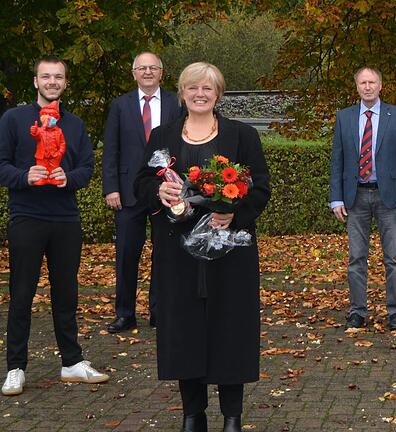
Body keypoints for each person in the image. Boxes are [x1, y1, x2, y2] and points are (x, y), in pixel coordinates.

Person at [134, 62, 270, 432]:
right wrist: (158, 191)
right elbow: (142, 183)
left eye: (207, 89)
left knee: (231, 330)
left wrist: (235, 214)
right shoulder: (162, 135)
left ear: (218, 94)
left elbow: (260, 188)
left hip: (230, 252)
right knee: (184, 332)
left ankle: (232, 417)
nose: (200, 94)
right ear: (182, 92)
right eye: (193, 88)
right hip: (177, 252)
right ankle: (193, 414)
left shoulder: (242, 135)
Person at [0, 55, 109, 396]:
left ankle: (71, 363)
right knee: (21, 295)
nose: (52, 82)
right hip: (26, 217)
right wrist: (22, 176)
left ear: (64, 82)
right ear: (35, 81)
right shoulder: (13, 119)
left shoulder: (74, 124)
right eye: (45, 76)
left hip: (65, 218)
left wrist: (69, 178)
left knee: (66, 294)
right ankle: (15, 368)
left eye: (58, 77)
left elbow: (88, 168)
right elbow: (1, 165)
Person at [329, 66, 396, 331]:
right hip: (355, 197)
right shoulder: (344, 117)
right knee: (356, 258)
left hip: (388, 197)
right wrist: (336, 198)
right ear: (357, 87)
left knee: (394, 258)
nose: (367, 87)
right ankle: (357, 312)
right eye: (363, 83)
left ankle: (395, 313)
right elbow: (337, 160)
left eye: (372, 82)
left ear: (380, 85)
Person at [103, 51, 183, 333]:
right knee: (126, 253)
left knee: (165, 253)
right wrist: (111, 187)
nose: (147, 72)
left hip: (166, 190)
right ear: (134, 73)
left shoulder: (176, 102)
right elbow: (111, 149)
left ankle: (160, 311)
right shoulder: (120, 106)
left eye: (153, 68)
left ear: (162, 73)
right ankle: (125, 313)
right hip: (127, 193)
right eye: (142, 68)